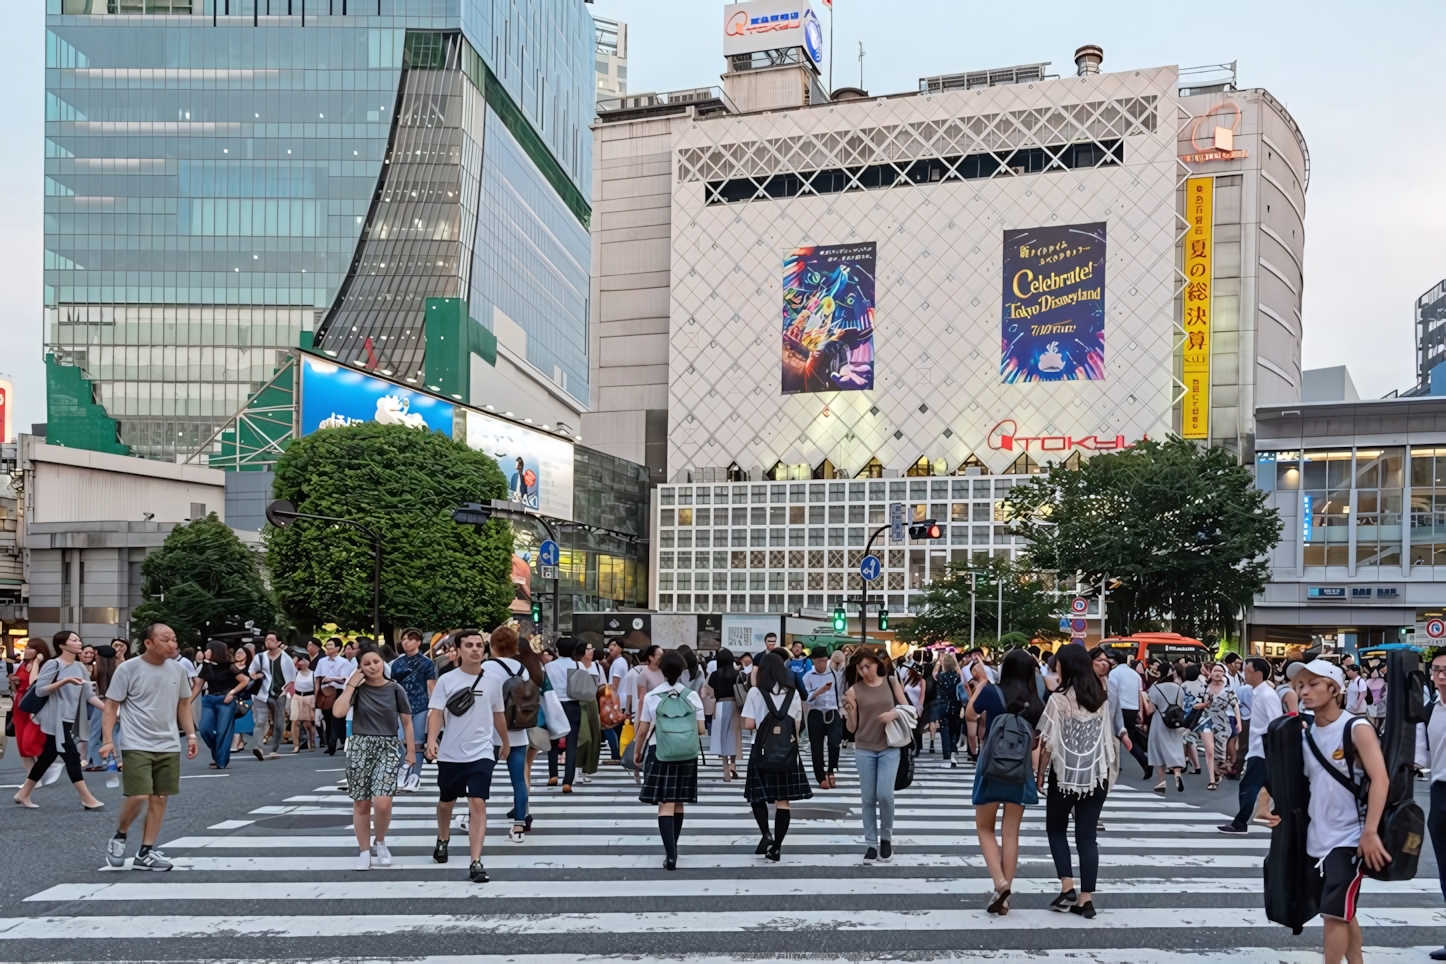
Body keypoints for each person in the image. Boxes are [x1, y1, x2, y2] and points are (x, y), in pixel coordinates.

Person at [1288, 659, 1390, 964]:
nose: (1304, 691)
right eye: (1300, 685)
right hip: (1316, 838)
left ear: (1334, 689)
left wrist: (1370, 832)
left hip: (1349, 838)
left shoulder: (1356, 728)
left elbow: (1380, 779)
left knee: (1333, 914)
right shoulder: (1305, 734)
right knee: (1342, 912)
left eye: (1313, 684)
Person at [101, 623, 198, 871]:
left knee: (160, 798)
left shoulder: (178, 670)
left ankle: (145, 852)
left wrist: (191, 736)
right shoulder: (128, 669)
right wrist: (108, 740)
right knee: (139, 795)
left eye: (174, 639)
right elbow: (111, 707)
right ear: (148, 643)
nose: (172, 644)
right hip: (136, 742)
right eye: (165, 639)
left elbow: (184, 705)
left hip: (168, 743)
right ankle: (121, 834)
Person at [1037, 644, 1118, 919]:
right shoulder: (1101, 699)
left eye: (1058, 663)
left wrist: (1039, 774)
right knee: (1087, 838)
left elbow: (1048, 742)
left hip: (1064, 776)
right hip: (1096, 776)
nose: (1055, 667)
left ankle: (1067, 886)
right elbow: (1106, 740)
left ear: (1067, 666)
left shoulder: (1057, 700)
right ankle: (1087, 899)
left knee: (1056, 830)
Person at [426, 629, 507, 883]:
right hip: (451, 752)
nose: (475, 649)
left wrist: (505, 741)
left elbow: (498, 714)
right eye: (469, 645)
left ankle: (476, 861)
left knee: (477, 802)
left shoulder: (493, 681)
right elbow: (436, 713)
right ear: (458, 651)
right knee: (446, 802)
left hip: (482, 752)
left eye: (479, 645)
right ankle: (443, 837)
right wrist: (431, 740)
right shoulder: (447, 680)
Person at [969, 649, 1046, 915]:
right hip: (1020, 771)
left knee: (984, 828)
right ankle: (1006, 896)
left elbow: (969, 714)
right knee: (1011, 832)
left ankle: (1000, 884)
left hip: (991, 768)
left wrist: (980, 684)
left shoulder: (992, 693)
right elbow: (1038, 742)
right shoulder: (1037, 702)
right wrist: (1038, 775)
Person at [331, 648, 414, 871]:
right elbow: (338, 712)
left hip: (387, 745)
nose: (372, 666)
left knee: (383, 800)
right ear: (360, 668)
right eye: (366, 664)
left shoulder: (395, 689)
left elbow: (406, 721)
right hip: (360, 746)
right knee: (361, 801)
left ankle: (381, 841)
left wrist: (411, 751)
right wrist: (351, 684)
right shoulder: (358, 690)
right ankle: (364, 850)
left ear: (382, 663)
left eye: (376, 661)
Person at [13, 631, 106, 810]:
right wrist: (65, 682)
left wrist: (110, 710)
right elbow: (40, 690)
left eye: (79, 639)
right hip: (54, 719)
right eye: (74, 640)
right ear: (62, 645)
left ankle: (23, 794)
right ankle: (87, 798)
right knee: (71, 756)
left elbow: (89, 695)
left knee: (47, 757)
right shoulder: (53, 664)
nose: (79, 643)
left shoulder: (79, 667)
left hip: (68, 718)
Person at [634, 650, 706, 871]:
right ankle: (674, 847)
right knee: (678, 801)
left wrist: (637, 753)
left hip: (660, 752)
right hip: (686, 753)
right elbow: (702, 730)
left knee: (664, 804)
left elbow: (643, 729)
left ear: (662, 671)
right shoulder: (692, 696)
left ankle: (670, 854)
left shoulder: (652, 696)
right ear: (683, 670)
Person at [741, 650, 810, 861]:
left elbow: (749, 724)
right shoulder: (793, 693)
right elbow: (797, 728)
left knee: (757, 796)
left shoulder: (755, 692)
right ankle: (777, 847)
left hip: (761, 751)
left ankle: (766, 834)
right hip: (787, 753)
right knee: (783, 801)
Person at [843, 648, 907, 863]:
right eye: (860, 668)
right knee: (868, 798)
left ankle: (886, 838)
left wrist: (894, 713)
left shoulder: (891, 682)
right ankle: (871, 843)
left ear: (877, 664)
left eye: (867, 666)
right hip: (864, 748)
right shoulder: (853, 690)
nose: (863, 671)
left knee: (885, 795)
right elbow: (852, 729)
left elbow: (909, 709)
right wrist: (851, 714)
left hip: (890, 746)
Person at [482, 625, 539, 843]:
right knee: (518, 780)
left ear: (493, 646)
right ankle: (518, 824)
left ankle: (474, 817)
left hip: (492, 731)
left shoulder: (488, 667)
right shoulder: (521, 668)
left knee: (482, 778)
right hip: (518, 729)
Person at [1217, 656, 1283, 835]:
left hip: (1263, 749)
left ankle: (1240, 823)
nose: (1243, 673)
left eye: (1246, 670)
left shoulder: (1267, 694)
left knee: (1248, 785)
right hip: (1259, 747)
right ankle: (1295, 814)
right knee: (1272, 788)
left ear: (1258, 673)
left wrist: (1272, 748)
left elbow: (1276, 722)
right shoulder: (1258, 693)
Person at [1415, 649, 1446, 961]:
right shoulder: (1429, 710)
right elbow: (1421, 758)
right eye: (1437, 669)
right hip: (1440, 794)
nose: (1441, 675)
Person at [390, 628, 437, 790]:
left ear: (418, 642)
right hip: (400, 707)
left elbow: (431, 686)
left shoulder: (427, 663)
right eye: (404, 639)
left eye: (411, 639)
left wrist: (435, 708)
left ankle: (415, 775)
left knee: (417, 743)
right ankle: (403, 772)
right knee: (400, 741)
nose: (406, 642)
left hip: (421, 706)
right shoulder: (396, 664)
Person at [197, 642, 250, 770]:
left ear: (215, 651)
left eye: (207, 650)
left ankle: (221, 761)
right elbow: (198, 685)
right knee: (204, 729)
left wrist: (232, 693)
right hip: (209, 699)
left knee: (223, 731)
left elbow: (245, 680)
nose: (205, 652)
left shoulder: (229, 667)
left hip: (225, 700)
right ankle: (218, 752)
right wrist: (187, 701)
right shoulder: (206, 666)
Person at [544, 638, 585, 792]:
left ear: (557, 650)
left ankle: (553, 775)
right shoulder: (578, 665)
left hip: (553, 704)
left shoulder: (548, 666)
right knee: (571, 743)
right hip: (572, 703)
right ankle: (567, 781)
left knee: (552, 740)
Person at [246, 633, 296, 761]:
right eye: (267, 640)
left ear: (279, 642)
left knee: (279, 723)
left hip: (280, 693)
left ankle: (274, 748)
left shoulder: (286, 658)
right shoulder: (260, 657)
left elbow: (292, 678)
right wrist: (255, 676)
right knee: (260, 721)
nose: (268, 642)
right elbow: (251, 670)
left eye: (271, 640)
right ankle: (259, 747)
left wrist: (286, 692)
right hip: (262, 694)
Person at [1194, 663, 1240, 790]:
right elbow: (1196, 704)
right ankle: (1212, 779)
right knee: (1209, 750)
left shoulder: (1228, 690)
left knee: (1220, 750)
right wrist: (1203, 705)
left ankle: (1218, 770)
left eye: (1220, 671)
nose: (1217, 673)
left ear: (1224, 673)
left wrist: (1239, 723)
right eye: (1215, 670)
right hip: (1206, 720)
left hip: (1223, 722)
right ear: (1211, 673)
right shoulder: (1204, 688)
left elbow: (1235, 706)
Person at [802, 646, 843, 788]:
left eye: (825, 660)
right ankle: (820, 777)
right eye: (819, 661)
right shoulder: (808, 676)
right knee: (816, 746)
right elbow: (806, 698)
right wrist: (820, 691)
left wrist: (842, 710)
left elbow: (840, 693)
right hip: (816, 712)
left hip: (832, 711)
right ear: (813, 661)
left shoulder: (834, 674)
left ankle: (831, 770)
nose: (822, 664)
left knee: (834, 743)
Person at [1145, 662, 1188, 794]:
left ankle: (1161, 782)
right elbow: (1181, 705)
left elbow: (1150, 710)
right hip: (1175, 721)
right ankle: (1177, 773)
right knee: (1175, 747)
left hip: (1160, 721)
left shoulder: (1154, 688)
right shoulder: (1179, 688)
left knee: (1157, 750)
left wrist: (1143, 698)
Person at [1106, 651, 1150, 778]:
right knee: (1126, 736)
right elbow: (1139, 693)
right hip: (1133, 709)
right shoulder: (1135, 674)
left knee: (1116, 737)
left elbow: (1112, 694)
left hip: (1119, 708)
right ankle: (1140, 761)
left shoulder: (1114, 673)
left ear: (1114, 661)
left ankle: (1141, 761)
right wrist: (1140, 712)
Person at [707, 648, 743, 781]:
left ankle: (725, 769)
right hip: (735, 705)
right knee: (734, 736)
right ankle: (733, 765)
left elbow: (710, 692)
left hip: (720, 705)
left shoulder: (715, 675)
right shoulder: (737, 674)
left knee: (722, 737)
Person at [86, 644, 121, 769]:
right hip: (116, 704)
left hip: (100, 703)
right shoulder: (119, 668)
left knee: (94, 733)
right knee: (115, 732)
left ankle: (96, 761)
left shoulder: (97, 669)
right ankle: (117, 759)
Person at [288, 653, 318, 753]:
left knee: (308, 722)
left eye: (305, 659)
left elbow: (316, 688)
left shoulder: (313, 673)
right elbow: (290, 665)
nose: (303, 662)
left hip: (309, 697)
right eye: (301, 660)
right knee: (295, 720)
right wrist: (296, 658)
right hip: (297, 697)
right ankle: (296, 745)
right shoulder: (295, 672)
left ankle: (311, 741)